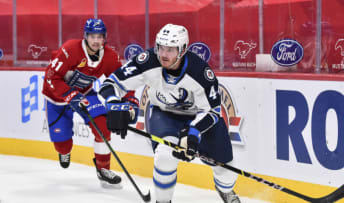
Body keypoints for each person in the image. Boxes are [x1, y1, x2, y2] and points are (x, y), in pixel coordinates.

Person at [99, 24, 241, 203]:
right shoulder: (147, 61)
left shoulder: (201, 73)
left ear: (182, 50)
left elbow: (212, 111)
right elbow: (110, 85)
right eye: (161, 47)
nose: (164, 54)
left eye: (170, 49)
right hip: (165, 115)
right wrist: (113, 104)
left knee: (226, 168)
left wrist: (194, 133)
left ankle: (225, 190)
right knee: (164, 158)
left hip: (200, 117)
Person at [42, 18, 133, 188]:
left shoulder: (109, 56)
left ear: (105, 37)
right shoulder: (70, 49)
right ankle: (64, 151)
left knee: (103, 129)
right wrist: (70, 95)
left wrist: (129, 100)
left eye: (100, 36)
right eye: (92, 36)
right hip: (56, 97)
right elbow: (50, 77)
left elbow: (122, 80)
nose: (96, 41)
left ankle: (103, 170)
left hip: (84, 94)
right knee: (63, 146)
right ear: (85, 36)